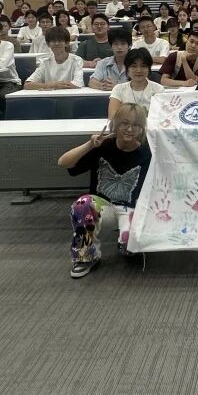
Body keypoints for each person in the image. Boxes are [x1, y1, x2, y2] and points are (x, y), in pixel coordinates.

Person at [58, 104, 151, 276]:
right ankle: (85, 256)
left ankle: (127, 243)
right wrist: (89, 145)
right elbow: (63, 162)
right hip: (102, 207)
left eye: (136, 125)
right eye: (125, 123)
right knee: (82, 204)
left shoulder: (148, 153)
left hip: (131, 210)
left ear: (142, 128)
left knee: (130, 247)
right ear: (116, 124)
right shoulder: (102, 146)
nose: (130, 129)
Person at [109, 47, 165, 114]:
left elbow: (161, 116)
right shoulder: (118, 89)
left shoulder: (158, 89)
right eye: (134, 66)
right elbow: (113, 116)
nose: (139, 70)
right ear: (127, 69)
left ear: (149, 68)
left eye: (143, 66)